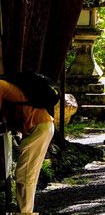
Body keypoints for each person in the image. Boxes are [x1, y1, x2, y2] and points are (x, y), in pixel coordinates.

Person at [0, 76, 54, 215]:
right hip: (40, 126)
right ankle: (24, 210)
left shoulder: (0, 86)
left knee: (26, 174)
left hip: (39, 127)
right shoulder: (4, 85)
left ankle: (25, 212)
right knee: (25, 173)